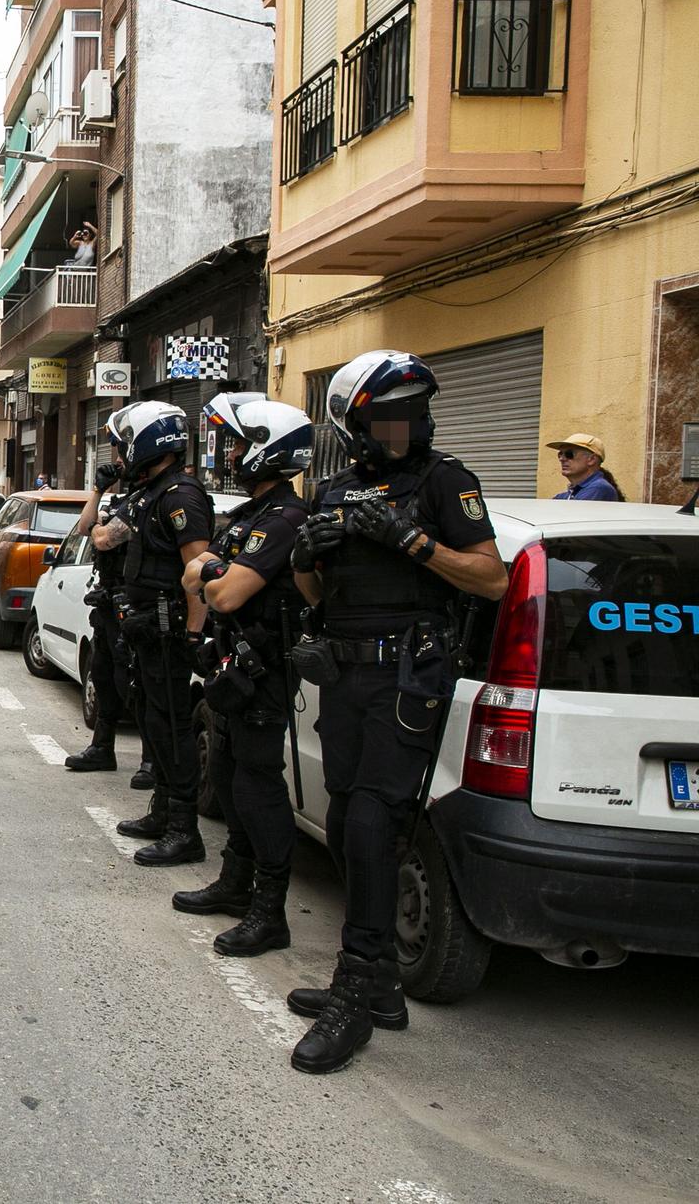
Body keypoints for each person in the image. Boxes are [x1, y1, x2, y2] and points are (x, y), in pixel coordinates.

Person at [287, 350, 507, 1075]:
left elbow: (492, 578)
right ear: (356, 426)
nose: (402, 428)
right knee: (349, 822)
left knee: (379, 821)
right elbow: (318, 601)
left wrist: (411, 539)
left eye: (411, 413)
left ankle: (356, 991)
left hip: (408, 677)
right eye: (387, 416)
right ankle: (380, 981)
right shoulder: (331, 490)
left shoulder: (446, 482)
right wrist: (307, 561)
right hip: (345, 678)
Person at [176, 395, 317, 957]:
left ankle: (269, 910)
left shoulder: (286, 518)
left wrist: (211, 571)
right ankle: (236, 885)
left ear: (267, 450)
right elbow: (200, 578)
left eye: (239, 443)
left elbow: (223, 588)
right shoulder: (253, 514)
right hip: (234, 665)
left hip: (265, 672)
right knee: (234, 779)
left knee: (259, 788)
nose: (231, 453)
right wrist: (212, 573)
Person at [100, 401, 214, 864]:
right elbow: (103, 536)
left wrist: (192, 636)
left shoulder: (182, 495)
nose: (123, 455)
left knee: (172, 729)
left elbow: (199, 570)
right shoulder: (151, 492)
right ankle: (163, 812)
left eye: (127, 445)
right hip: (146, 628)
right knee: (152, 722)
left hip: (168, 631)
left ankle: (185, 831)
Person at [63, 420, 138, 780]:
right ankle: (102, 747)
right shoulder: (125, 499)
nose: (118, 459)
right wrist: (98, 491)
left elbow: (103, 539)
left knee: (137, 685)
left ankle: (153, 762)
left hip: (137, 607)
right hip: (110, 605)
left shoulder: (152, 499)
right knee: (103, 676)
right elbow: (85, 528)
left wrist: (101, 527)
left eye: (122, 451)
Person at [547, 432, 624, 501]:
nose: (561, 459)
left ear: (592, 459)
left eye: (569, 454)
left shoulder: (599, 488)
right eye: (560, 454)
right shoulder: (566, 495)